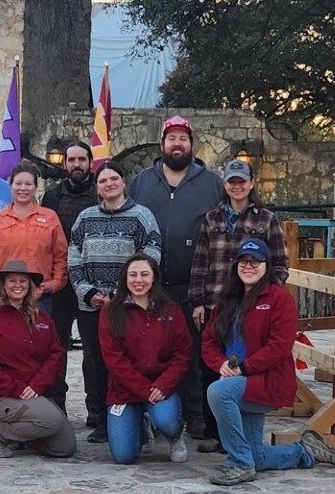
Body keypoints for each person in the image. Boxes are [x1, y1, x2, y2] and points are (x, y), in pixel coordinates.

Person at [202, 237, 335, 485]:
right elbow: (208, 341)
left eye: (255, 261)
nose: (249, 266)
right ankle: (306, 451)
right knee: (256, 456)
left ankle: (239, 464)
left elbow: (279, 346)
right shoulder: (226, 300)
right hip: (237, 381)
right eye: (243, 261)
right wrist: (220, 364)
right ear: (236, 266)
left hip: (265, 381)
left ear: (267, 265)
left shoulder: (279, 299)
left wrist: (244, 368)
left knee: (218, 392)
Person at [127, 115, 225, 439]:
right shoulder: (141, 181)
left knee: (195, 353)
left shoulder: (211, 183)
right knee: (153, 351)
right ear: (162, 144)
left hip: (192, 285)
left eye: (183, 138)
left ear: (191, 145)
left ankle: (196, 415)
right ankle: (148, 412)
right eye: (172, 138)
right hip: (149, 286)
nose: (177, 144)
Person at [186, 158, 291, 452]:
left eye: (242, 181)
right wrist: (197, 301)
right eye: (232, 181)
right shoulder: (213, 218)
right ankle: (214, 433)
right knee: (211, 366)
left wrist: (265, 294)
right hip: (217, 302)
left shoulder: (266, 219)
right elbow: (200, 261)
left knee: (247, 360)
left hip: (252, 305)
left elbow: (280, 262)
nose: (237, 186)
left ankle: (240, 433)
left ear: (251, 184)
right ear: (225, 185)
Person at [67, 161, 161, 443]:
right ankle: (100, 418)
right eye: (103, 180)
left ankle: (131, 417)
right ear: (97, 187)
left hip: (128, 305)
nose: (109, 184)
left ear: (123, 182)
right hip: (92, 306)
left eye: (114, 179)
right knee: (96, 361)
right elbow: (73, 258)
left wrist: (127, 294)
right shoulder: (85, 218)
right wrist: (87, 292)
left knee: (125, 361)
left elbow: (152, 256)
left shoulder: (142, 216)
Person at [0, 162, 69, 408]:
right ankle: (0, 405)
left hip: (41, 299)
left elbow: (61, 256)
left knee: (42, 353)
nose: (23, 188)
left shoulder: (49, 218)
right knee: (5, 354)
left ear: (36, 187)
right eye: (18, 183)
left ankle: (47, 404)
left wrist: (54, 284)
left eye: (28, 183)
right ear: (10, 186)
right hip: (4, 301)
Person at [0, 259, 76, 459]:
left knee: (64, 448)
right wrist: (16, 388)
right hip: (3, 395)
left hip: (36, 393)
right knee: (51, 419)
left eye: (23, 281)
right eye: (12, 281)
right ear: (3, 286)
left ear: (30, 286)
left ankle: (21, 436)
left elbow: (55, 355)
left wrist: (37, 386)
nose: (18, 285)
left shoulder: (42, 318)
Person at [100, 254, 191, 464]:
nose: (138, 280)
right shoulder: (111, 311)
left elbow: (182, 354)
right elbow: (113, 359)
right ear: (124, 278)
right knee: (124, 457)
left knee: (167, 420)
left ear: (154, 278)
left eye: (144, 274)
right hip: (125, 390)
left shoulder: (172, 310)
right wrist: (144, 390)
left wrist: (162, 385)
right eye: (132, 275)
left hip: (162, 387)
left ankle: (175, 437)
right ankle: (143, 426)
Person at [41, 140, 97, 351]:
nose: (76, 164)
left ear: (90, 162)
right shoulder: (52, 196)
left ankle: (94, 386)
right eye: (71, 160)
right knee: (56, 343)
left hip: (89, 280)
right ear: (65, 164)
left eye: (81, 159)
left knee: (92, 345)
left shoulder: (99, 195)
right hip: (59, 279)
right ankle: (55, 386)